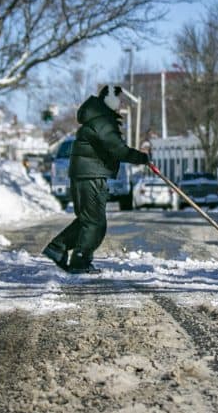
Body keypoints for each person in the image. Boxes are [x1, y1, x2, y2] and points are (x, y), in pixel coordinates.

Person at [43, 85, 150, 274]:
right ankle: (79, 261)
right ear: (110, 100)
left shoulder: (98, 118)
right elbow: (117, 149)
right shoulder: (102, 122)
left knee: (89, 221)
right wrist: (141, 157)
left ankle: (58, 248)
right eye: (119, 99)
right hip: (90, 176)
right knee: (94, 223)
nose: (121, 104)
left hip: (89, 175)